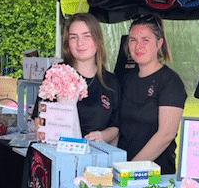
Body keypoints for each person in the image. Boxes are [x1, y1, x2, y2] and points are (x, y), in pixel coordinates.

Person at [33, 13, 120, 144]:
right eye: (74, 37)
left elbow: (115, 126)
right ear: (67, 43)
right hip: (57, 153)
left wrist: (102, 136)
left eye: (87, 36)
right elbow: (39, 118)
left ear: (98, 39)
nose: (80, 43)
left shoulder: (111, 82)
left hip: (94, 157)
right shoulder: (56, 74)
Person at [117, 15, 187, 175]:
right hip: (122, 169)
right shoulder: (126, 79)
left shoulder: (171, 82)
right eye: (133, 40)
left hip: (154, 176)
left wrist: (129, 169)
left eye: (145, 40)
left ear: (159, 43)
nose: (138, 46)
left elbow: (166, 134)